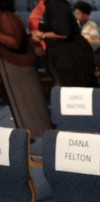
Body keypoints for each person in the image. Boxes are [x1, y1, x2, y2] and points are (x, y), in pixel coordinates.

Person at [0, 0, 52, 139]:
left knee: (28, 106)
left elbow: (15, 42)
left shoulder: (6, 16)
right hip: (11, 67)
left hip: (19, 68)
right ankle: (28, 136)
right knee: (21, 107)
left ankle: (39, 138)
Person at [32, 0, 97, 87]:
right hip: (62, 57)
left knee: (76, 94)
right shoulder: (50, 4)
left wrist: (42, 35)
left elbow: (63, 33)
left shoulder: (56, 4)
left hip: (70, 59)